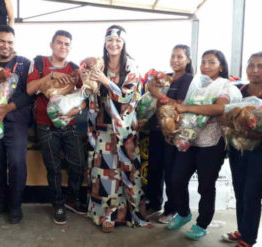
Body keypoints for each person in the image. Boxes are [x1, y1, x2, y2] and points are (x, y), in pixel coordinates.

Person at [167, 50, 237, 240]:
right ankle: (183, 213)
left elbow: (219, 108)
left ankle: (202, 224)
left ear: (221, 66)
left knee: (206, 185)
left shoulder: (225, 85)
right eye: (203, 62)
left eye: (212, 62)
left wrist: (187, 107)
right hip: (190, 140)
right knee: (176, 178)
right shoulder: (196, 83)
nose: (205, 66)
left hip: (211, 143)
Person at [87, 25, 150, 233]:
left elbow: (127, 97)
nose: (113, 44)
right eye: (110, 40)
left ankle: (128, 213)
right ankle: (106, 215)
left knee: (127, 173)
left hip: (124, 132)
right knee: (104, 173)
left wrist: (105, 81)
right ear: (105, 43)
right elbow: (90, 91)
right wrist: (89, 80)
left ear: (124, 44)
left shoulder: (131, 67)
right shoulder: (98, 64)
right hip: (103, 127)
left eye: (118, 41)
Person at [27, 30, 86, 225]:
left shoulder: (75, 69)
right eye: (59, 43)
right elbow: (30, 89)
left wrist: (74, 112)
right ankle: (57, 203)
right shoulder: (39, 63)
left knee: (77, 165)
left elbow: (85, 98)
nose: (63, 46)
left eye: (67, 44)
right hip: (46, 126)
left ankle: (73, 198)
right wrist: (51, 75)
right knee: (53, 169)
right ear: (51, 44)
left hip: (70, 125)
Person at [0, 25, 31, 224]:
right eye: (2, 41)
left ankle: (15, 205)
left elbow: (29, 93)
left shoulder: (24, 64)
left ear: (14, 43)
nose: (6, 45)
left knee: (17, 162)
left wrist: (8, 108)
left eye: (10, 42)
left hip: (16, 121)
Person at [222, 52, 262, 247]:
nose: (255, 70)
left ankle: (248, 238)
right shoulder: (238, 90)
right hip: (238, 148)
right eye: (251, 66)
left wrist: (258, 134)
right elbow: (224, 115)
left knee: (252, 191)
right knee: (240, 188)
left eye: (261, 66)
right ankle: (242, 229)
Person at [145, 44, 194, 223]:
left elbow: (179, 105)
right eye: (173, 56)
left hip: (173, 132)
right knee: (155, 169)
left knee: (171, 171)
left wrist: (157, 93)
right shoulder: (166, 78)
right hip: (157, 130)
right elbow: (152, 102)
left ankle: (171, 209)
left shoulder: (188, 79)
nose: (175, 60)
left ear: (188, 60)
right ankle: (154, 204)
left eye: (180, 57)